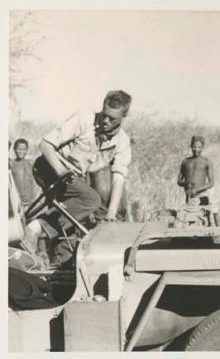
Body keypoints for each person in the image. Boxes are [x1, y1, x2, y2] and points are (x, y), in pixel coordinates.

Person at [23, 90, 133, 263]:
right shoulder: (84, 120)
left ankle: (59, 267)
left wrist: (111, 212)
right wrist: (60, 170)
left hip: (72, 177)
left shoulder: (122, 141)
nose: (105, 121)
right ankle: (35, 228)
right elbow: (45, 145)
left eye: (112, 119)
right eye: (104, 115)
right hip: (50, 168)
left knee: (75, 222)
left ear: (124, 116)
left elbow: (119, 177)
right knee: (91, 200)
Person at [178, 135, 214, 205]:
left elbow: (211, 183)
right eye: (194, 147)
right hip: (189, 197)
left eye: (199, 147)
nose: (196, 149)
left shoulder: (206, 162)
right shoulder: (185, 162)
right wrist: (185, 183)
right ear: (191, 146)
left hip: (202, 196)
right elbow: (179, 181)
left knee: (210, 214)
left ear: (202, 148)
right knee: (188, 214)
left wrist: (197, 190)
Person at [10, 138, 36, 208]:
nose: (21, 151)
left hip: (31, 202)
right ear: (14, 149)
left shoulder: (31, 163)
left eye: (23, 149)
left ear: (27, 150)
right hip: (18, 203)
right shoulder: (11, 163)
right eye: (19, 149)